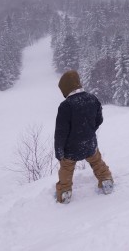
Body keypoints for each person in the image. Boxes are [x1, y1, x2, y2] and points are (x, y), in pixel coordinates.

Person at [54, 70, 113, 204]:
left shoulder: (65, 106)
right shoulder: (93, 98)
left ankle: (65, 192)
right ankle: (106, 180)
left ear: (66, 88)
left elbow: (60, 132)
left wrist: (59, 150)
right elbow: (99, 119)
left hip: (70, 149)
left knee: (66, 169)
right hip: (89, 143)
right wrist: (89, 131)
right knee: (97, 162)